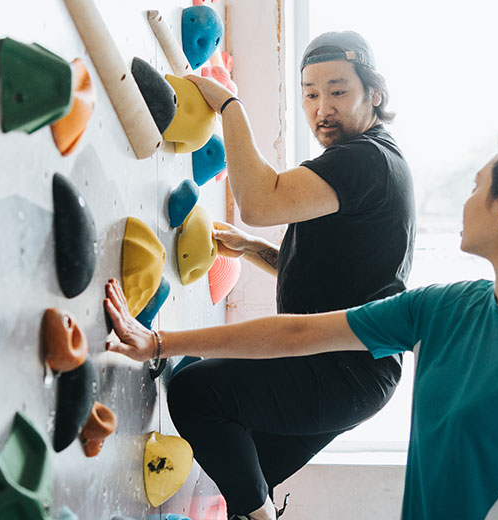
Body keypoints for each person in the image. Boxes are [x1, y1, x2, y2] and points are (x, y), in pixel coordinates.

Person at [105, 130, 498, 519]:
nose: (466, 200)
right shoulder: (447, 309)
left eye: (477, 187)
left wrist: (160, 342)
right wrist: (158, 342)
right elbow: (299, 333)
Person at [161, 31, 415, 520]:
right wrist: (254, 249)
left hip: (342, 370)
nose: (322, 108)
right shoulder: (377, 158)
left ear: (374, 94)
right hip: (356, 373)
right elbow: (331, 275)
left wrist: (229, 106)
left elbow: (260, 202)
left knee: (195, 393)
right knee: (250, 472)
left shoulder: (364, 160)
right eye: (310, 94)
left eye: (338, 91)